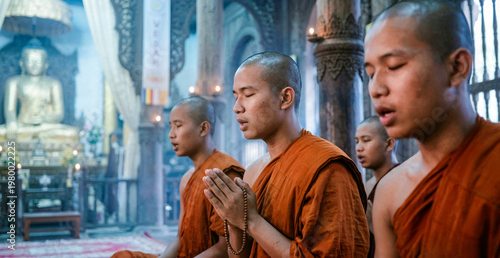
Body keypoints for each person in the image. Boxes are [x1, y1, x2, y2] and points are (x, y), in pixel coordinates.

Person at [364, 0, 500, 258]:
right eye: (371, 73)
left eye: (394, 66)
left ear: (457, 67)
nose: (375, 89)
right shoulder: (390, 190)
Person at [203, 51, 369, 257]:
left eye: (248, 95)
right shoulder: (254, 170)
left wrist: (252, 221)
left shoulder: (327, 168)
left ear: (285, 98)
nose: (237, 108)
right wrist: (234, 220)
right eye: (236, 97)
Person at [112, 96, 245, 258]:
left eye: (178, 126)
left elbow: (226, 247)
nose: (171, 135)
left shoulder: (224, 173)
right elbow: (180, 238)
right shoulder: (187, 179)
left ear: (203, 129)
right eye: (171, 127)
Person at [0, 38, 79, 142]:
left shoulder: (53, 83)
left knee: (72, 133)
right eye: (30, 61)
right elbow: (10, 109)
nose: (34, 65)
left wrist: (44, 119)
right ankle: (11, 155)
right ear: (22, 63)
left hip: (46, 127)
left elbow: (59, 114)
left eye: (38, 61)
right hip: (22, 126)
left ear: (46, 64)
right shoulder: (14, 82)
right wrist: (11, 122)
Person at [355, 115, 397, 257]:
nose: (359, 148)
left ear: (389, 144)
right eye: (357, 141)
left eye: (366, 140)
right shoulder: (367, 188)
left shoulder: (403, 181)